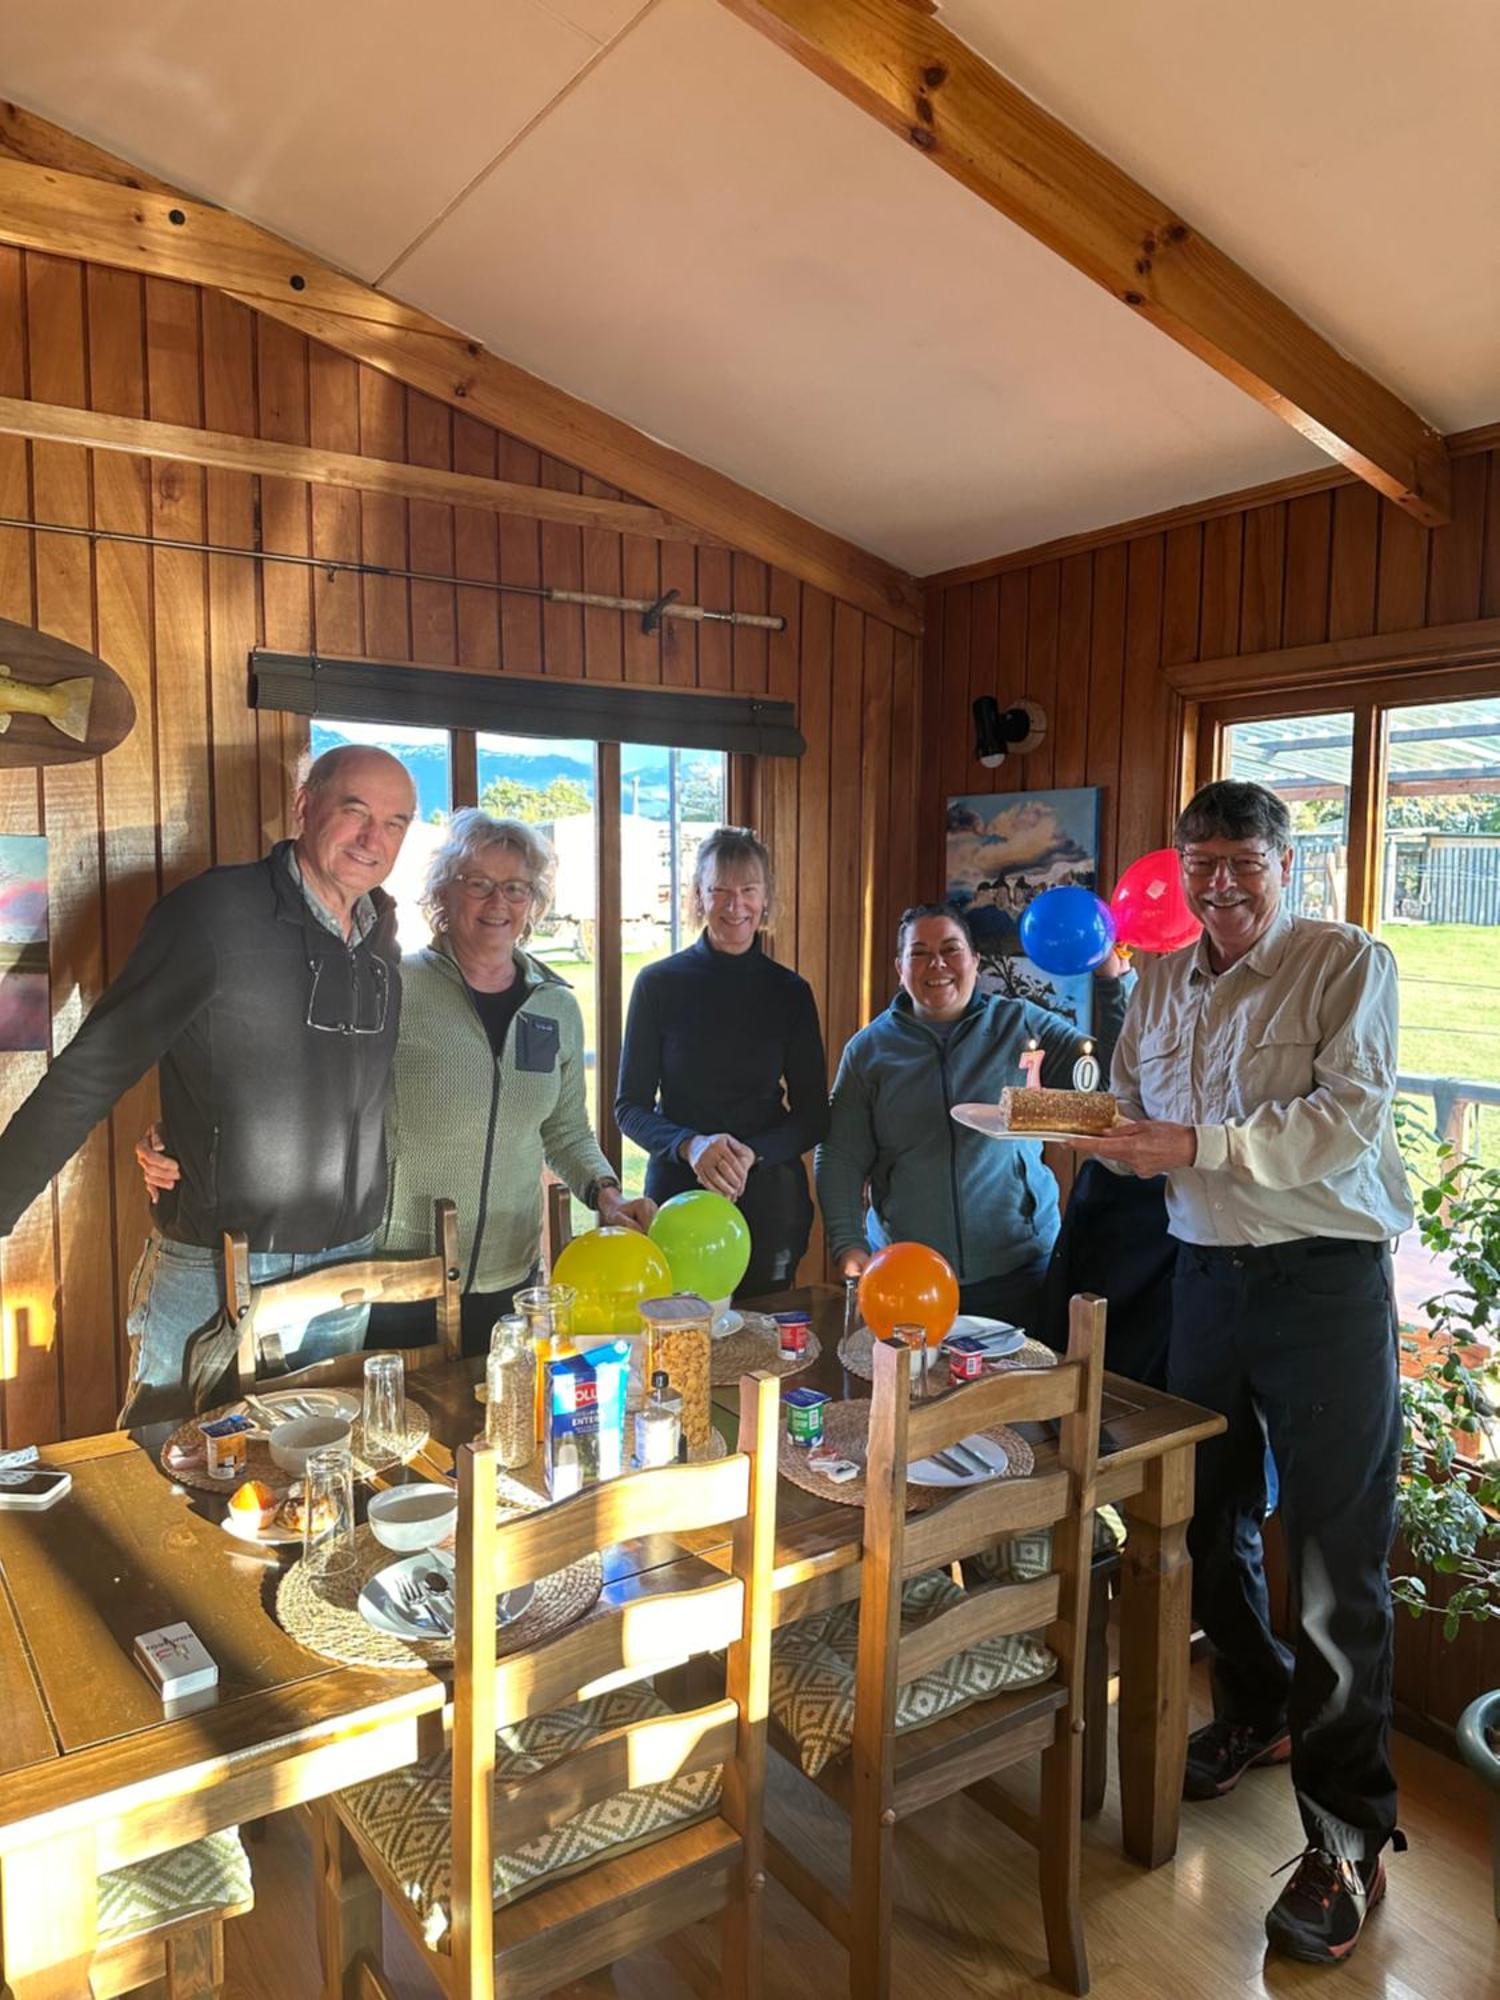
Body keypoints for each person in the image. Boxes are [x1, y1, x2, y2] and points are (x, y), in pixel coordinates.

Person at [1072, 779, 1413, 1966]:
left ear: (1286, 863)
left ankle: (1347, 1836)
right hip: (1205, 1274)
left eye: (1242, 864)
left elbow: (1347, 1119)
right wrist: (1074, 1120)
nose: (1218, 885)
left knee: (1332, 1555)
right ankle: (1259, 1709)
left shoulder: (1344, 962)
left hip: (1324, 1282)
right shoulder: (1157, 978)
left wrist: (1197, 1143)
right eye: (1199, 863)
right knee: (1201, 1516)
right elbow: (1130, 1102)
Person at [0, 746, 417, 1421]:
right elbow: (93, 1068)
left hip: (347, 1259)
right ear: (305, 806)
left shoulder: (382, 931)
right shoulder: (211, 914)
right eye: (356, 812)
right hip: (220, 1261)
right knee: (164, 1455)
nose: (375, 839)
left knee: (316, 1465)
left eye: (396, 823)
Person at [143, 809, 654, 1358]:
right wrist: (187, 1137)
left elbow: (565, 1128)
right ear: (443, 893)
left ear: (534, 902)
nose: (498, 902)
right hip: (396, 1273)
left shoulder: (555, 1004)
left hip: (512, 1275)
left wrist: (606, 1193)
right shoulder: (394, 985)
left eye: (515, 888)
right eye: (478, 884)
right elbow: (301, 1086)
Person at [815, 903, 1130, 1328]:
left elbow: (1105, 1077)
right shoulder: (868, 1051)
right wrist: (848, 1244)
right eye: (919, 953)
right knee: (918, 1393)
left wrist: (1112, 980)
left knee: (1019, 1393)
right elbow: (840, 1156)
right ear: (899, 967)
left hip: (1021, 1269)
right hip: (911, 1274)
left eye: (951, 949)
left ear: (975, 961)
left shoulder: (1019, 1023)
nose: (937, 964)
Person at [615, 826, 827, 1296]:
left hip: (770, 1202)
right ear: (698, 897)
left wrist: (752, 1154)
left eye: (748, 891)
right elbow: (629, 1107)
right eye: (720, 891)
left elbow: (815, 1116)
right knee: (682, 1346)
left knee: (767, 1355)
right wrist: (692, 1146)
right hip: (677, 1198)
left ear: (766, 898)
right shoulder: (657, 984)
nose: (736, 906)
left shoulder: (790, 993)